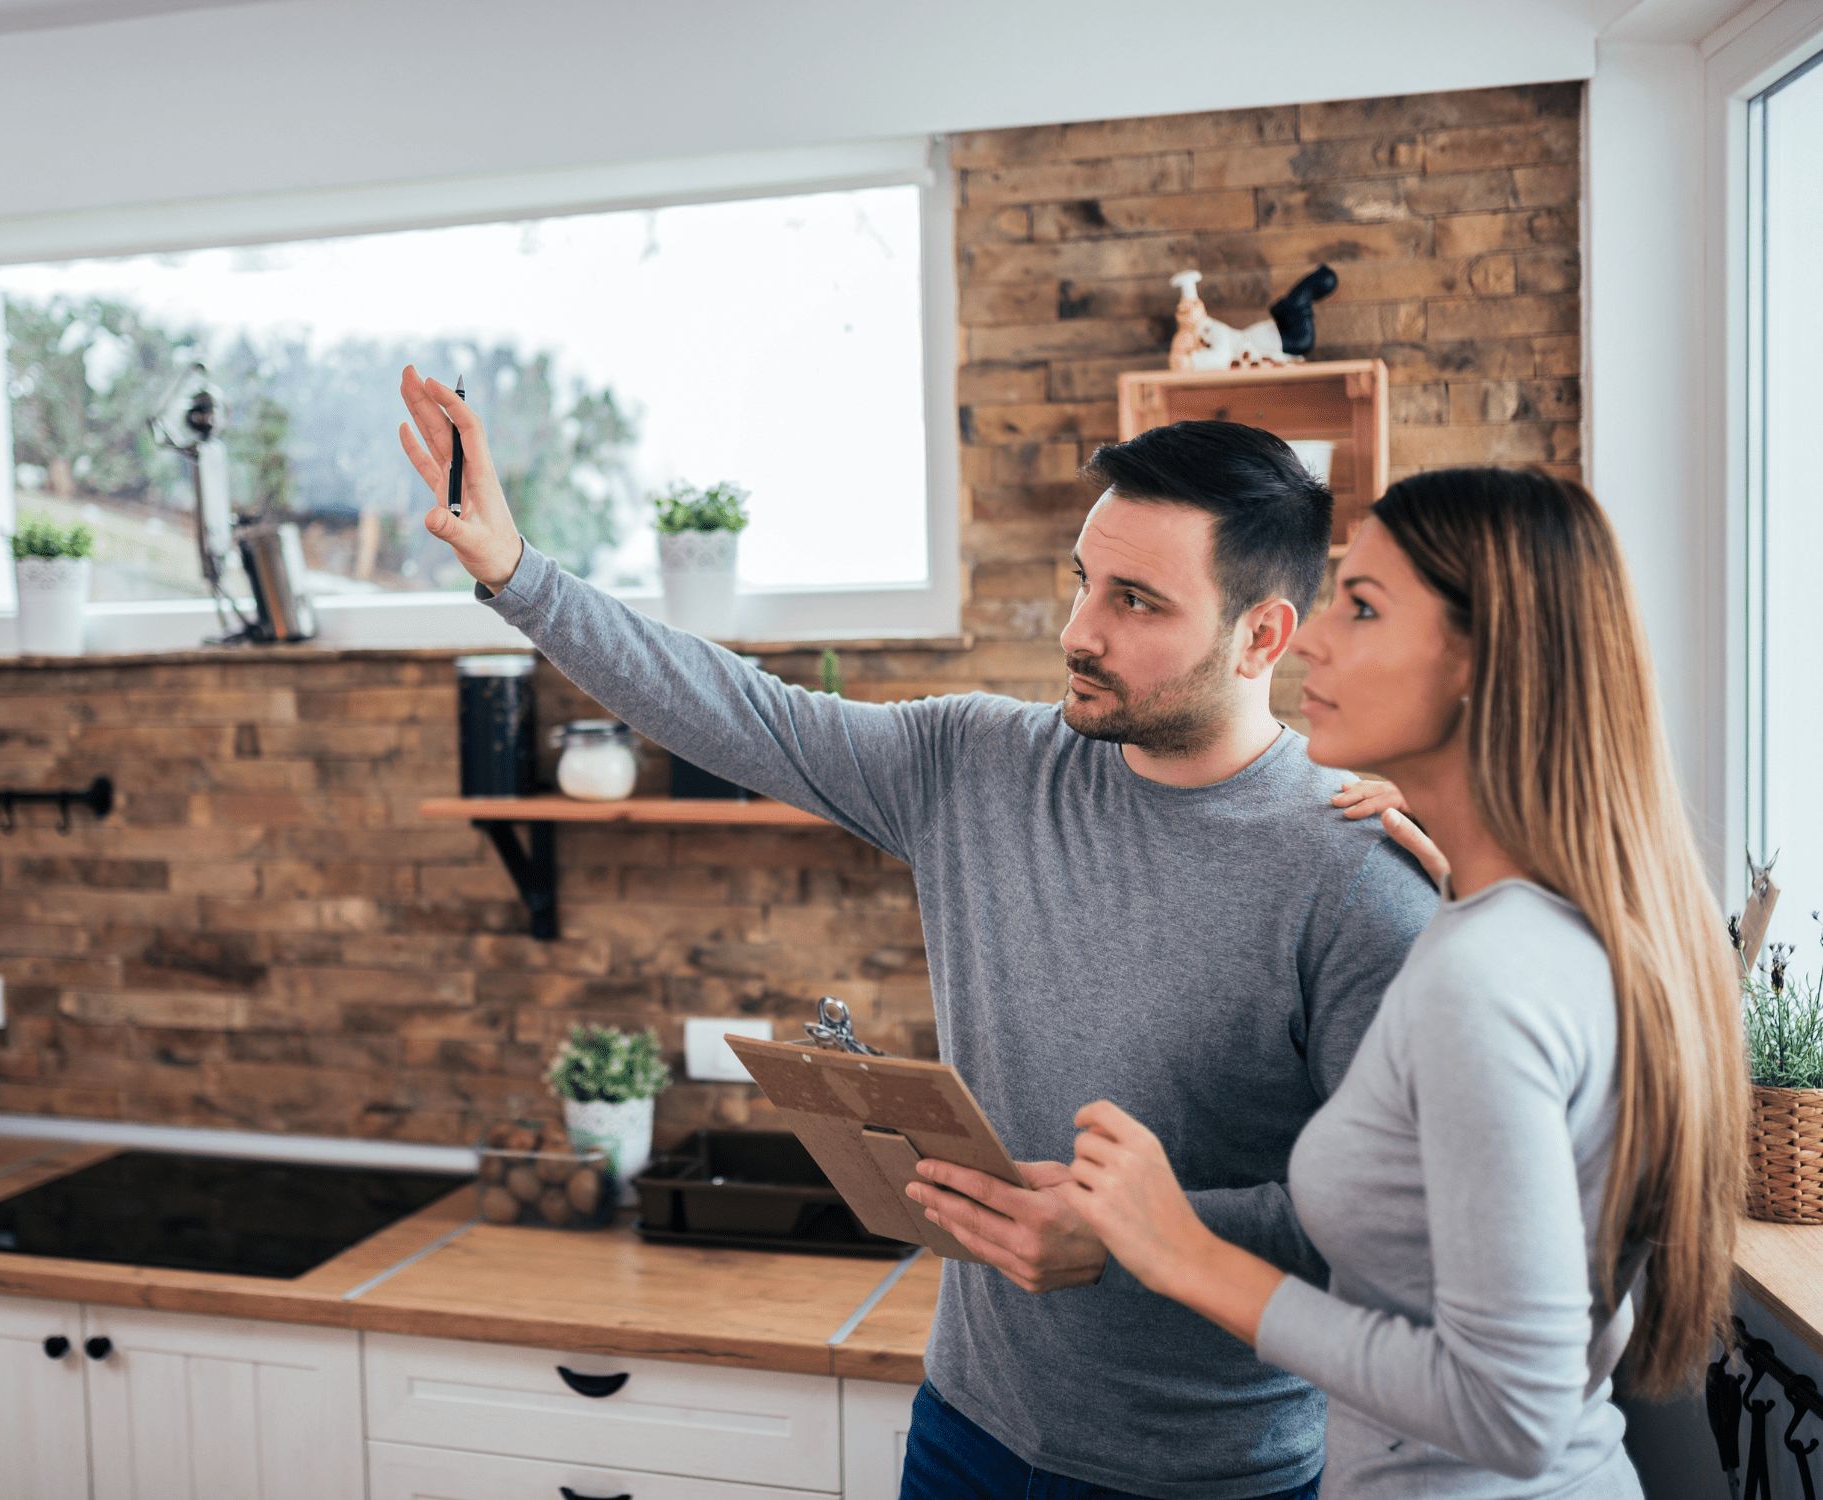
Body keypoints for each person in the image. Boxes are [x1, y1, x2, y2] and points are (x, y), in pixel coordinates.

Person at [398, 369, 1438, 1500]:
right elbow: (742, 713)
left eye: (1137, 602)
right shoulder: (976, 764)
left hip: (1209, 1477)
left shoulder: (1356, 876)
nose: (1078, 632)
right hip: (967, 1433)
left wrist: (1139, 1235)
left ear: (1262, 635)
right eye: (1084, 582)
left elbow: (1400, 1222)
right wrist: (515, 571)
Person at [1063, 467, 1747, 1497]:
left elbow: (1511, 1410)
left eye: (1364, 607)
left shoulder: (1487, 977)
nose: (1316, 637)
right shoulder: (1548, 925)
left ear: (1484, 663)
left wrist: (1181, 1253)